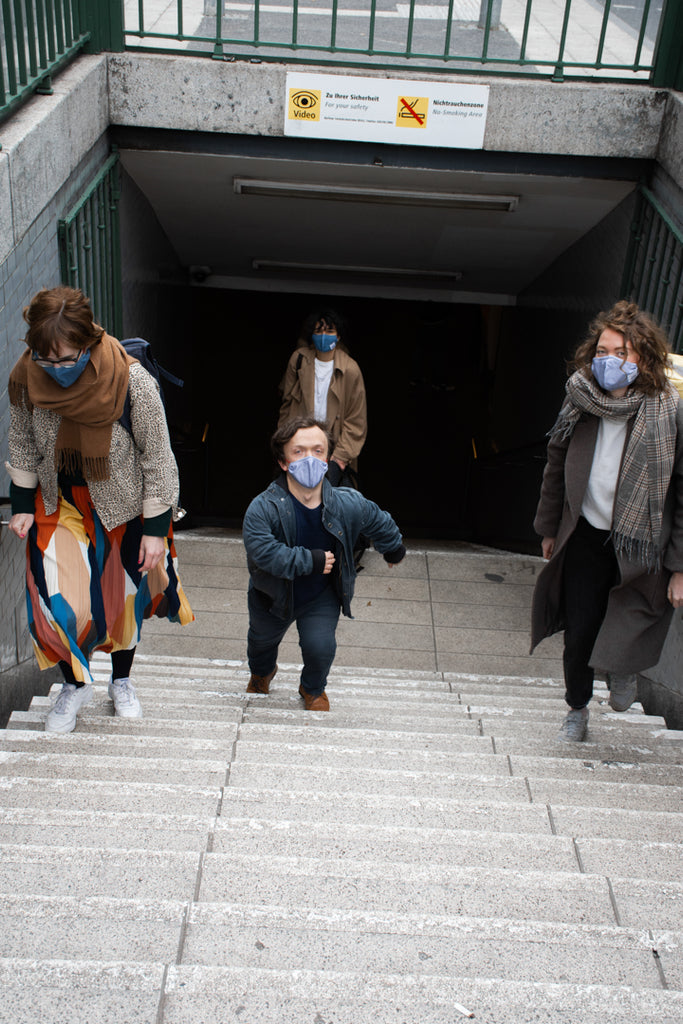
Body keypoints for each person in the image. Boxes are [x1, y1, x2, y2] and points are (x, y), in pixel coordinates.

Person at [6, 286, 194, 734]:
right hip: (58, 502)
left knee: (122, 601)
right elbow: (21, 439)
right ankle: (74, 683)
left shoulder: (134, 382)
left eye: (67, 360)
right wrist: (20, 504)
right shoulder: (25, 376)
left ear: (89, 343)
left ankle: (122, 681)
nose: (55, 370)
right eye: (45, 360)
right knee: (58, 602)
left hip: (123, 506)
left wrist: (154, 529)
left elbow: (159, 459)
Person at [530, 300, 683, 743]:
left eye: (620, 352)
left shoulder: (668, 411)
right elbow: (555, 462)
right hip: (584, 534)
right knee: (579, 628)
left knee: (631, 615)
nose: (607, 361)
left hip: (642, 541)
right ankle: (576, 710)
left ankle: (622, 670)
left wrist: (678, 565)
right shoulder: (580, 398)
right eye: (602, 351)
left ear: (643, 359)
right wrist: (549, 528)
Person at [242, 415, 405, 710]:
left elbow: (377, 519)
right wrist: (310, 560)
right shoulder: (262, 508)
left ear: (328, 458)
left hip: (321, 595)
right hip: (272, 595)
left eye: (318, 451)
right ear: (283, 462)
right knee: (260, 643)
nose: (309, 458)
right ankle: (262, 672)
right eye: (299, 451)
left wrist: (393, 549)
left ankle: (313, 688)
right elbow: (263, 553)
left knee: (321, 648)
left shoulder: (347, 502)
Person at [278, 310, 367, 486]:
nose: (323, 336)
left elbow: (356, 420)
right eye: (318, 331)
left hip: (333, 453)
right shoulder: (299, 360)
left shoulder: (350, 369)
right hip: (300, 449)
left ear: (339, 336)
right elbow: (286, 406)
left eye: (329, 331)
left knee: (331, 505)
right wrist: (284, 447)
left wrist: (340, 458)